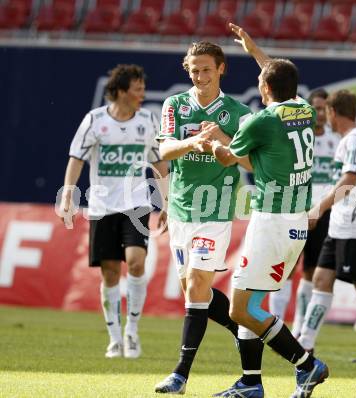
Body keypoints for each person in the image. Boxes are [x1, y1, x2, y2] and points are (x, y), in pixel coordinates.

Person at [206, 24, 329, 398]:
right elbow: (277, 76)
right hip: (294, 223)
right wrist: (256, 51)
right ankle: (250, 383)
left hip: (273, 221)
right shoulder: (303, 110)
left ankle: (307, 366)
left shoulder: (262, 121)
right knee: (254, 304)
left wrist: (212, 138)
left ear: (263, 90)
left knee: (239, 309)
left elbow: (229, 158)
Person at [153, 41, 253, 394]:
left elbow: (251, 162)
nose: (200, 76)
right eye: (194, 70)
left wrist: (221, 139)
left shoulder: (239, 113)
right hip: (181, 209)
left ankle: (180, 374)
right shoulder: (175, 105)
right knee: (197, 291)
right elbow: (163, 149)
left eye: (206, 69)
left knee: (196, 286)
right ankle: (243, 328)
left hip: (216, 210)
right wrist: (193, 144)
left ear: (221, 68)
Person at [59, 64, 168, 359]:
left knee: (135, 262)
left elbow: (160, 164)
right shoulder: (95, 120)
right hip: (102, 206)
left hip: (136, 204)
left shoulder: (148, 121)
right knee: (109, 273)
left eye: (143, 88)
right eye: (137, 88)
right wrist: (68, 192)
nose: (142, 94)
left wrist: (167, 201)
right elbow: (76, 157)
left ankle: (132, 331)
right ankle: (115, 338)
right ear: (120, 92)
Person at [298, 89, 356, 364]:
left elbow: (349, 181)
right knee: (321, 279)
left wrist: (320, 207)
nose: (324, 117)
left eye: (326, 112)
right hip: (339, 226)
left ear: (333, 112)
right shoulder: (349, 139)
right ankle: (305, 343)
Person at [268, 89, 340, 339]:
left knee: (311, 271)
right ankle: (274, 325)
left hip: (323, 213)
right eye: (316, 108)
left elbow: (340, 179)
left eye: (323, 109)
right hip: (296, 209)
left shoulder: (336, 139)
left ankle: (299, 328)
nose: (319, 114)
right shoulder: (299, 136)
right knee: (285, 268)